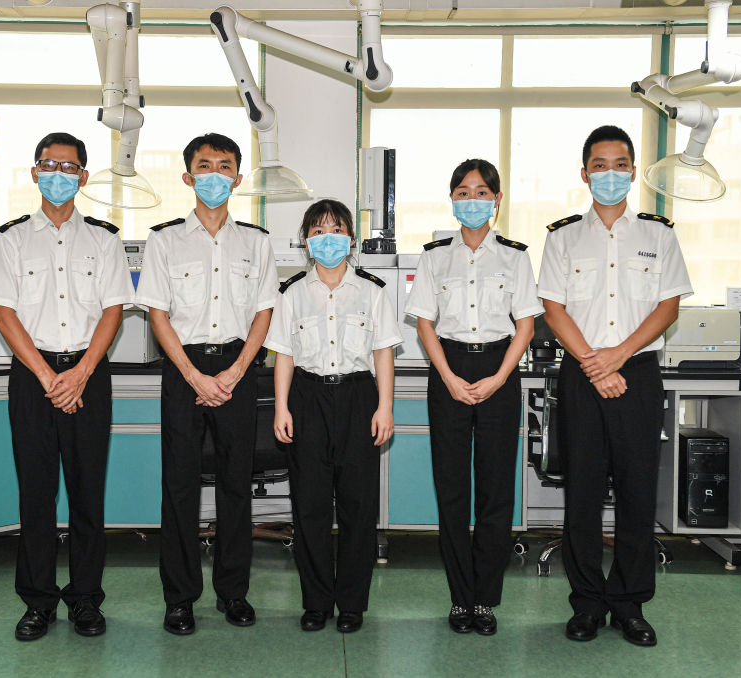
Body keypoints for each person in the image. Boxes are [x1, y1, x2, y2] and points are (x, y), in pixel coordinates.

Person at [537, 125, 692, 647]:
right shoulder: (562, 237)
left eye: (620, 164)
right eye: (599, 165)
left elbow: (669, 306)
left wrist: (618, 357)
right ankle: (586, 604)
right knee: (581, 493)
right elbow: (553, 308)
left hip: (638, 373)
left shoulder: (658, 234)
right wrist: (595, 365)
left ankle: (629, 604)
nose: (610, 174)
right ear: (585, 174)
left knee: (636, 492)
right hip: (582, 375)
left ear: (633, 171)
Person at [0, 131, 133, 640]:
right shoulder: (11, 239)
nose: (58, 175)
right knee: (37, 495)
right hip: (33, 378)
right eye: (49, 165)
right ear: (34, 172)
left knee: (88, 494)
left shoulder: (105, 240)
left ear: (83, 177)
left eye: (69, 167)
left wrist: (81, 373)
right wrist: (48, 378)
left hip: (88, 373)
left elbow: (113, 311)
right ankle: (38, 602)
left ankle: (86, 599)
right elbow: (5, 314)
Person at [135, 132, 278, 635]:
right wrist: (194, 375)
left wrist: (236, 372)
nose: (214, 174)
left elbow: (264, 313)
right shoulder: (164, 240)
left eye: (224, 166)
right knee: (180, 488)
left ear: (237, 179)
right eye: (204, 165)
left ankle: (233, 593)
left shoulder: (257, 242)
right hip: (184, 369)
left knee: (237, 486)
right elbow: (157, 315)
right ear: (187, 175)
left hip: (239, 367)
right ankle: (179, 599)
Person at [404, 159, 542, 635]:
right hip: (449, 370)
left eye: (482, 192)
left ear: (497, 200)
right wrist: (447, 375)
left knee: (496, 490)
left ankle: (485, 599)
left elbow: (526, 326)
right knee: (452, 490)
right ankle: (459, 598)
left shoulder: (515, 258)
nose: (472, 200)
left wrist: (501, 377)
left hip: (499, 370)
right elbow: (425, 323)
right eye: (463, 192)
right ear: (452, 200)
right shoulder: (434, 257)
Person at [265, 199, 402, 633]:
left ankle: (352, 604)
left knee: (359, 507)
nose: (328, 239)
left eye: (337, 230)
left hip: (359, 397)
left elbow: (382, 353)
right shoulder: (291, 292)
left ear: (352, 239)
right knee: (310, 507)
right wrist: (282, 407)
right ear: (306, 242)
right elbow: (284, 355)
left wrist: (385, 406)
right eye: (319, 231)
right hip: (307, 398)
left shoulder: (372, 290)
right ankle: (316, 602)